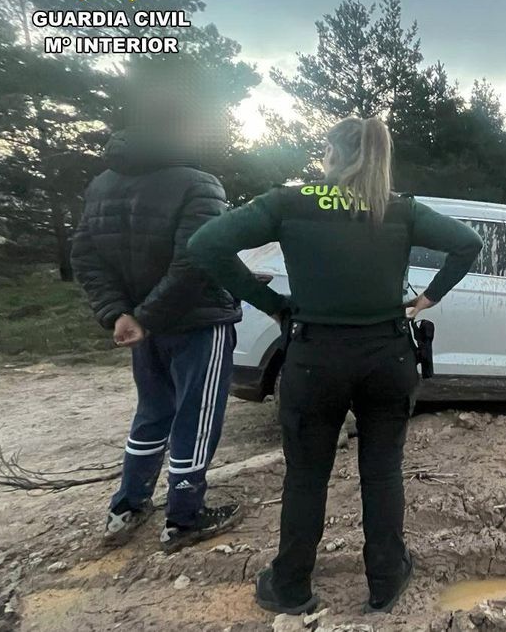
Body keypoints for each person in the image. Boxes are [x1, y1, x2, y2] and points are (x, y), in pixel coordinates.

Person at [187, 115, 482, 615]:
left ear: (332, 154)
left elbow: (205, 244)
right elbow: (467, 243)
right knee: (382, 471)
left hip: (314, 360)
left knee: (306, 476)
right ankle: (386, 578)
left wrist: (271, 303)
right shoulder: (397, 208)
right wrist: (429, 297)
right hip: (388, 355)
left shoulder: (289, 201)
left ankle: (291, 586)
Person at [72, 118, 244, 553]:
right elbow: (197, 260)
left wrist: (121, 314)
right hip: (197, 321)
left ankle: (127, 506)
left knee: (152, 411)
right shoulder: (198, 183)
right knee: (197, 416)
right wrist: (145, 317)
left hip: (140, 326)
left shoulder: (102, 186)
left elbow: (85, 257)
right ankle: (185, 517)